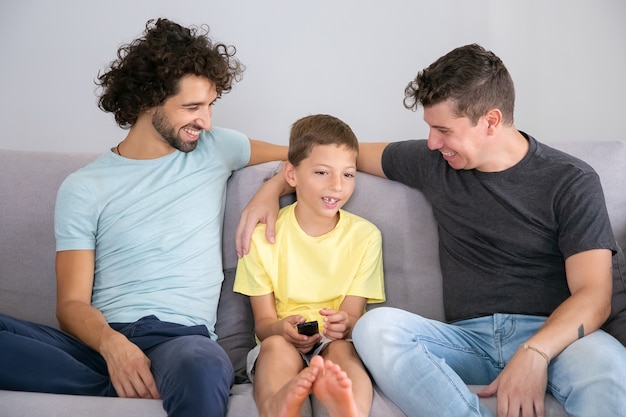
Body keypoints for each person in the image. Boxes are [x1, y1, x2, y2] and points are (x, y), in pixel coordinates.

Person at [235, 44, 626, 417]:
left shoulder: (570, 180)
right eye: (430, 129)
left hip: (553, 337)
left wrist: (535, 353)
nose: (432, 142)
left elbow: (594, 295)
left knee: (607, 364)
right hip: (466, 341)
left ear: (490, 121)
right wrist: (273, 187)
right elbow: (332, 157)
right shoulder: (434, 162)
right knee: (375, 328)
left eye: (444, 130)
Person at [0, 18, 287, 417]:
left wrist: (269, 191)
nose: (205, 121)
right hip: (99, 344)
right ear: (148, 100)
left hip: (180, 342)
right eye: (192, 107)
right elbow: (70, 305)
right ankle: (132, 380)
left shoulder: (217, 148)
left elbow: (310, 157)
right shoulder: (84, 187)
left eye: (209, 105)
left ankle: (137, 382)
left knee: (202, 366)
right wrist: (114, 347)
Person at [233, 114, 385, 417]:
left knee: (343, 351)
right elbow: (263, 325)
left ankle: (350, 410)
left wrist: (345, 323)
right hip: (283, 340)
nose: (337, 186)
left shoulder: (366, 237)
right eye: (321, 172)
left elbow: (353, 317)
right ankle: (277, 406)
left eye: (348, 175)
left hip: (334, 341)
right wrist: (282, 329)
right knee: (275, 348)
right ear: (291, 174)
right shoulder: (262, 238)